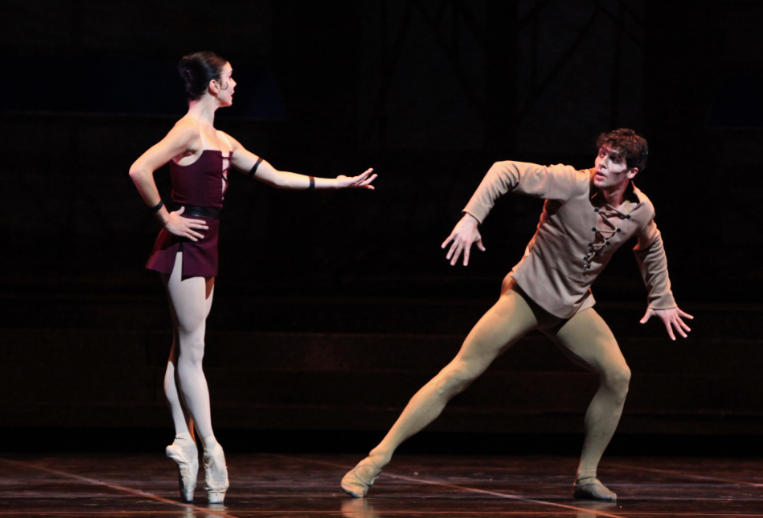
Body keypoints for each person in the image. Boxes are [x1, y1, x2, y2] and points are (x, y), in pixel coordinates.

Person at [341, 129, 691, 502]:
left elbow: (650, 245)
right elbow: (504, 169)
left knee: (618, 375)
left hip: (572, 307)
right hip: (526, 295)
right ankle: (371, 463)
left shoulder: (640, 209)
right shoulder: (569, 182)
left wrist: (662, 296)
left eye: (614, 160)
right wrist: (472, 217)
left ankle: (586, 477)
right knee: (460, 373)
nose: (602, 163)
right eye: (602, 154)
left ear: (632, 172)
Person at [129, 51, 376, 504]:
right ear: (213, 87)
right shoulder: (187, 130)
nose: (236, 84)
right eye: (230, 78)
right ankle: (210, 448)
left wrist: (337, 183)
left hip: (207, 242)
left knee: (182, 349)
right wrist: (165, 219)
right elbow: (139, 168)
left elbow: (278, 178)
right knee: (191, 351)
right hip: (187, 242)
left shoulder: (221, 138)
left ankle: (184, 440)